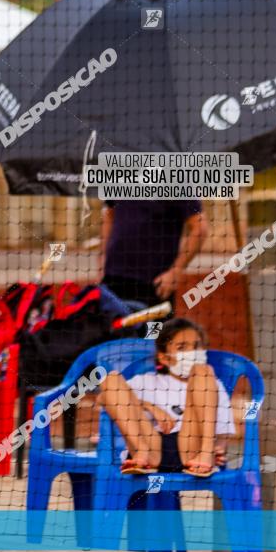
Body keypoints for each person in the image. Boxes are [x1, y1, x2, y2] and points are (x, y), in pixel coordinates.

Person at [97, 318, 234, 477]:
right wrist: (148, 405)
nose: (192, 352)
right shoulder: (145, 381)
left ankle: (206, 453)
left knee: (202, 371)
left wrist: (219, 447)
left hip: (191, 451)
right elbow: (104, 398)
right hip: (150, 447)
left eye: (196, 346)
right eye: (182, 347)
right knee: (111, 377)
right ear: (164, 358)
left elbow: (223, 434)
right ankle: (141, 453)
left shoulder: (212, 383)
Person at [100, 200, 208, 308]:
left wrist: (176, 271)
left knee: (155, 325)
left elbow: (199, 228)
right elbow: (109, 214)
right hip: (113, 279)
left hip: (154, 285)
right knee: (112, 324)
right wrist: (103, 257)